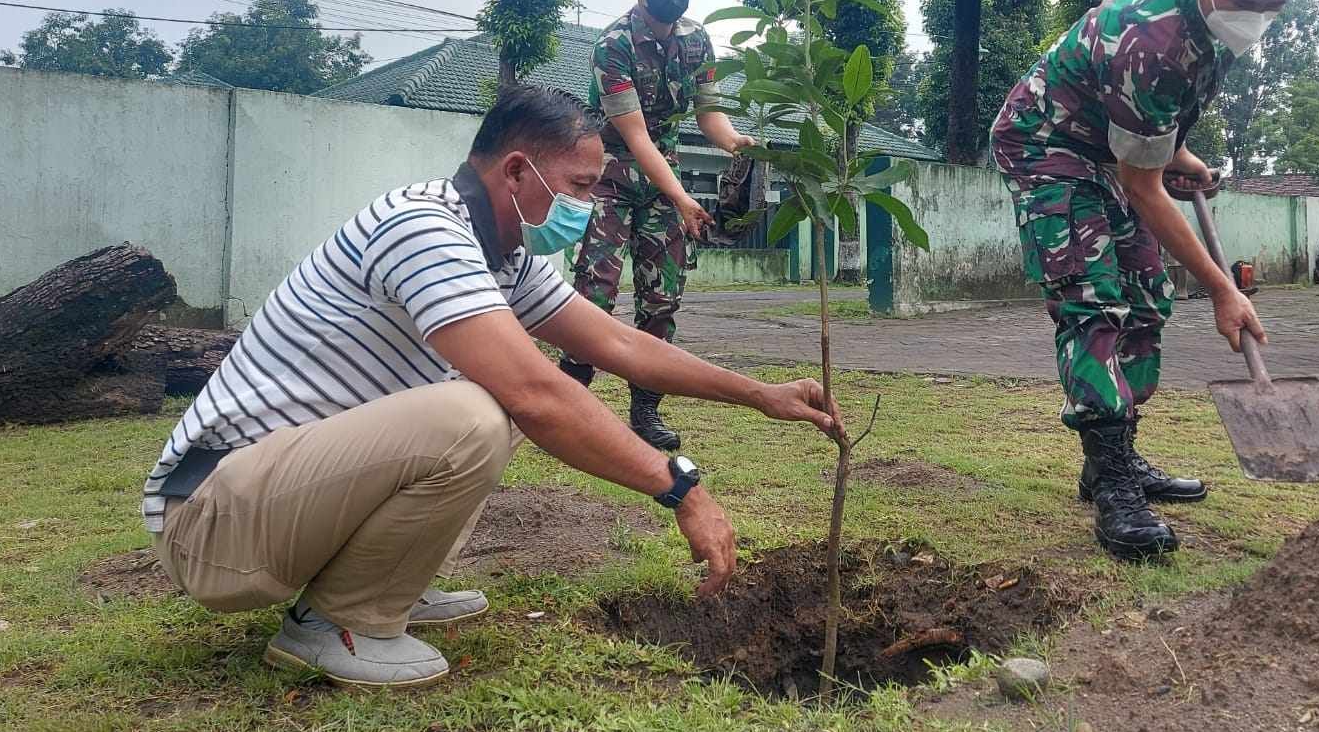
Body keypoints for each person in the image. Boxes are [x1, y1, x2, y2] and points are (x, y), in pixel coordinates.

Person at [141, 85, 839, 688]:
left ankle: (382, 587)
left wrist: (761, 394)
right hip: (212, 522)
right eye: (580, 186)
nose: (592, 208)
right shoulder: (422, 226)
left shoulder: (502, 255)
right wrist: (681, 488)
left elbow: (620, 343)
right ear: (516, 171)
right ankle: (336, 622)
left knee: (488, 412)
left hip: (275, 500)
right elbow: (538, 393)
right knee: (480, 411)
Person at [989, 0, 1301, 561]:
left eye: (1274, 7)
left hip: (1102, 142)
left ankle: (1114, 461)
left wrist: (1175, 153)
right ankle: (1114, 491)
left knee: (1147, 292)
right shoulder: (1150, 42)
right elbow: (1143, 186)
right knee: (1093, 297)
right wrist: (1222, 288)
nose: (1257, 19)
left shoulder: (1208, 6)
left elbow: (1147, 129)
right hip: (1045, 142)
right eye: (1246, 2)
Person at [558, 0, 756, 450]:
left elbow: (708, 112)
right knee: (595, 293)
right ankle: (569, 403)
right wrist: (683, 198)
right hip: (607, 175)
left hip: (661, 177)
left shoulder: (697, 41)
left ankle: (645, 412)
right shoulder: (612, 45)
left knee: (663, 296)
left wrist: (735, 141)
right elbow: (636, 135)